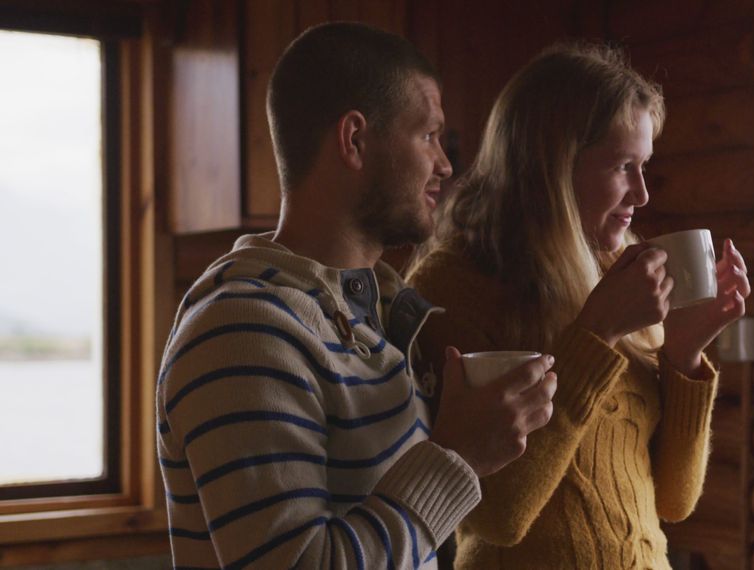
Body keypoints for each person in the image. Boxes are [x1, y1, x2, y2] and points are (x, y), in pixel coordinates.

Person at [155, 23, 557, 569]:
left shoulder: (381, 317)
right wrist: (454, 455)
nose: (445, 163)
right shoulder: (243, 331)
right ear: (355, 140)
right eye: (429, 135)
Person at [406, 42, 751, 569]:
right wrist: (596, 335)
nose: (642, 195)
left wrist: (681, 351)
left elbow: (674, 503)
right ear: (550, 165)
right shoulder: (452, 286)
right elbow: (499, 519)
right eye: (622, 166)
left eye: (645, 167)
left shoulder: (620, 271)